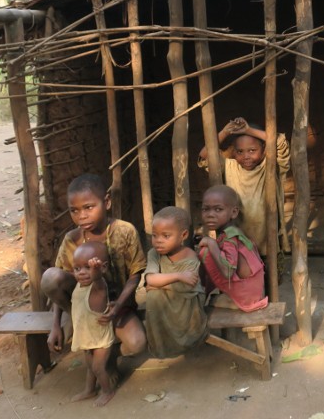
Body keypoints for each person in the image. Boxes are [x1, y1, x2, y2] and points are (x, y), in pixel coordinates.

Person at [41, 173, 147, 358]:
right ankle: (77, 319)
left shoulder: (124, 231)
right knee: (50, 277)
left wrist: (118, 305)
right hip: (83, 305)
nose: (82, 216)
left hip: (117, 304)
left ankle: (107, 357)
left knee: (137, 344)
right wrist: (55, 325)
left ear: (106, 203)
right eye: (74, 210)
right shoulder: (71, 240)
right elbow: (62, 275)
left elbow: (135, 275)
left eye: (89, 207)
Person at [197, 118, 290, 258]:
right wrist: (225, 132)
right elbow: (204, 156)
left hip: (266, 242)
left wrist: (248, 130)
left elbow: (280, 143)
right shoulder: (229, 166)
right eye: (240, 151)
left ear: (264, 150)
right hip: (237, 243)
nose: (246, 156)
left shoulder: (271, 165)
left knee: (269, 275)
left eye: (252, 150)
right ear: (234, 152)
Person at [138, 206, 208, 358]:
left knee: (155, 293)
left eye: (166, 236)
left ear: (183, 235)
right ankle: (162, 347)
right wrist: (178, 276)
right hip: (168, 301)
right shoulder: (154, 254)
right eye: (155, 235)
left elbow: (186, 289)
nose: (158, 241)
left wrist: (159, 284)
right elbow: (150, 279)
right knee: (153, 297)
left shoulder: (190, 256)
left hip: (188, 306)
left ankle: (184, 341)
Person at [197, 185, 268, 312]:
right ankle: (203, 293)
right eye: (205, 209)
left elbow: (228, 272)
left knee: (205, 252)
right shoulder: (233, 232)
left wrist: (212, 244)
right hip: (253, 291)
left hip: (248, 296)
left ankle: (203, 294)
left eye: (218, 209)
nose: (210, 215)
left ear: (234, 212)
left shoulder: (230, 238)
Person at [68, 241, 117, 406]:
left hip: (101, 339)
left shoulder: (98, 288)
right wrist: (91, 270)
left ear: (102, 268)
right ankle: (89, 390)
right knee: (89, 366)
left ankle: (107, 391)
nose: (82, 273)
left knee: (97, 368)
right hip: (87, 337)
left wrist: (96, 272)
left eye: (87, 268)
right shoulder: (79, 285)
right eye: (77, 268)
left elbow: (98, 280)